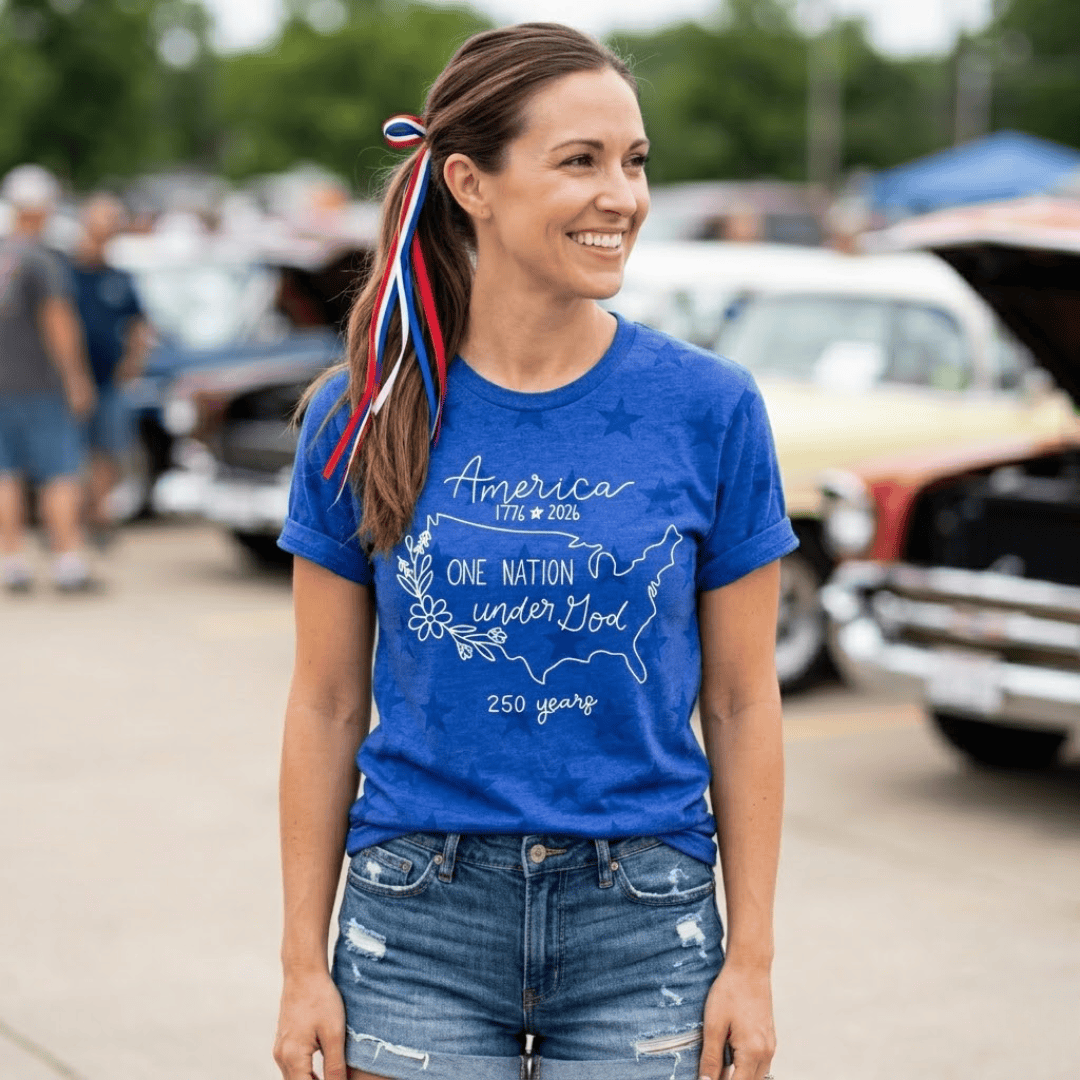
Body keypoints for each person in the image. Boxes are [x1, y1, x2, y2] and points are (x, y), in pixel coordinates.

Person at [274, 23, 796, 1080]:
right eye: (581, 161)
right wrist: (300, 964)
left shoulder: (710, 409)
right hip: (415, 917)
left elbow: (743, 702)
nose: (624, 196)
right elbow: (326, 702)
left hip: (645, 916)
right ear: (470, 181)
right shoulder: (362, 411)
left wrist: (752, 960)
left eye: (635, 161)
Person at [0, 164, 97, 592]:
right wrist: (77, 378)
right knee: (60, 472)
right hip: (40, 385)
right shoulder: (42, 259)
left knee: (6, 474)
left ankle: (11, 559)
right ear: (40, 209)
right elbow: (58, 322)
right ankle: (66, 560)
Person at [69, 193, 151, 543]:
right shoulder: (64, 275)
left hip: (108, 380)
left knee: (108, 450)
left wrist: (132, 364)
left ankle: (97, 518)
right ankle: (69, 521)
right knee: (69, 453)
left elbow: (139, 324)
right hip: (67, 380)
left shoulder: (120, 277)